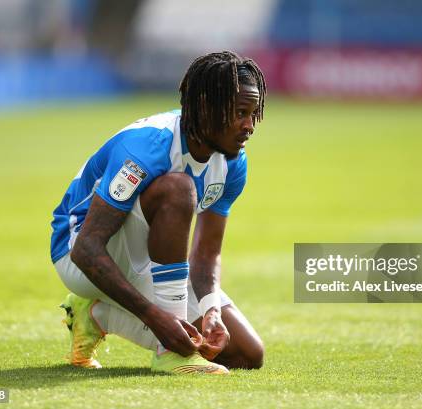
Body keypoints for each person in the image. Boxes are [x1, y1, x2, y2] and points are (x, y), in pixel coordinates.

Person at [50, 51, 267, 374]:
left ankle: (94, 315)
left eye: (254, 113)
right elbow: (87, 248)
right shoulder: (147, 147)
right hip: (78, 251)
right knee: (178, 190)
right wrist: (154, 318)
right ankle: (170, 353)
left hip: (151, 258)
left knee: (245, 354)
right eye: (239, 113)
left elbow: (206, 255)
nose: (249, 126)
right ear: (206, 105)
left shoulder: (234, 163)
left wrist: (211, 311)